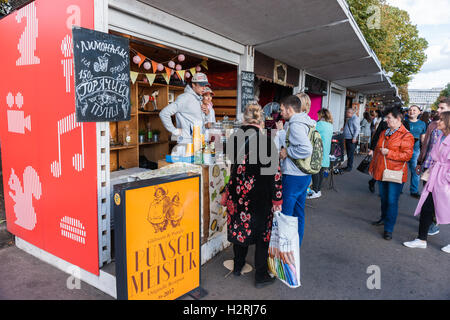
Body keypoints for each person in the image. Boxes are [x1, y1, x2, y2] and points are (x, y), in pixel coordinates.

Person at [225, 103, 282, 288]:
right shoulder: (266, 141)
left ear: (244, 119)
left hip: (237, 194)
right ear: (261, 121)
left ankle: (238, 266)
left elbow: (232, 168)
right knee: (261, 237)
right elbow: (275, 174)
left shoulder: (234, 139)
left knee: (240, 229)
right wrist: (277, 199)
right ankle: (260, 275)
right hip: (259, 197)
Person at [403, 111, 450, 253]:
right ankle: (421, 239)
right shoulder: (441, 136)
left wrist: (446, 179)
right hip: (436, 177)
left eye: (441, 120)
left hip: (444, 179)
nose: (437, 121)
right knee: (427, 207)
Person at [368, 106, 414, 240]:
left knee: (392, 201)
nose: (386, 120)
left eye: (389, 118)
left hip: (395, 173)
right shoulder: (384, 132)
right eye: (386, 117)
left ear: (398, 119)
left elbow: (407, 156)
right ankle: (383, 218)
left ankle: (388, 229)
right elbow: (377, 151)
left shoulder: (407, 135)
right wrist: (372, 166)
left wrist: (389, 153)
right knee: (383, 198)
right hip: (382, 170)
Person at [276, 94, 314, 246]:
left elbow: (306, 149)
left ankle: (284, 253)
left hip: (293, 174)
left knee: (286, 215)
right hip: (303, 174)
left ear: (289, 109)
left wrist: (287, 152)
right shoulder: (308, 122)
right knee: (299, 213)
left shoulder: (296, 124)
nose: (280, 112)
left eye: (282, 109)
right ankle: (295, 247)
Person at [416, 97, 450, 235]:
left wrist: (446, 178)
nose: (438, 111)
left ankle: (433, 225)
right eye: (438, 107)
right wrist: (420, 161)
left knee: (442, 204)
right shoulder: (433, 126)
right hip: (431, 169)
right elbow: (426, 146)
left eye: (442, 108)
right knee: (427, 203)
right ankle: (423, 236)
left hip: (443, 175)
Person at [368, 106, 410, 193]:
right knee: (380, 171)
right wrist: (372, 149)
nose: (387, 119)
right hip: (382, 153)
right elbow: (376, 136)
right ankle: (375, 183)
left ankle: (392, 190)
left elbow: (406, 144)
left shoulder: (406, 125)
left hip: (395, 156)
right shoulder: (384, 124)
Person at [159, 73, 210, 143]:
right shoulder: (184, 98)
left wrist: (207, 113)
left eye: (205, 85)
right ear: (193, 85)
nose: (204, 88)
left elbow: (198, 122)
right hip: (186, 142)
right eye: (201, 85)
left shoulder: (199, 100)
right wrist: (174, 131)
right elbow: (164, 113)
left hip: (198, 141)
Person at [308, 109, 333, 199]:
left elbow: (311, 135)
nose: (317, 116)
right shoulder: (330, 125)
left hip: (318, 150)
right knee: (321, 171)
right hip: (326, 150)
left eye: (318, 115)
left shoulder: (318, 124)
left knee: (315, 172)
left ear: (321, 115)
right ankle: (318, 190)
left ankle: (315, 191)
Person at [405, 105, 427, 198]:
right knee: (402, 170)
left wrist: (424, 151)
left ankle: (414, 191)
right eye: (410, 110)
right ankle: (397, 189)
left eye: (414, 110)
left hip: (416, 150)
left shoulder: (422, 124)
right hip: (403, 150)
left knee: (415, 171)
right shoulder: (403, 122)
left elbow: (423, 139)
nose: (412, 111)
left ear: (419, 112)